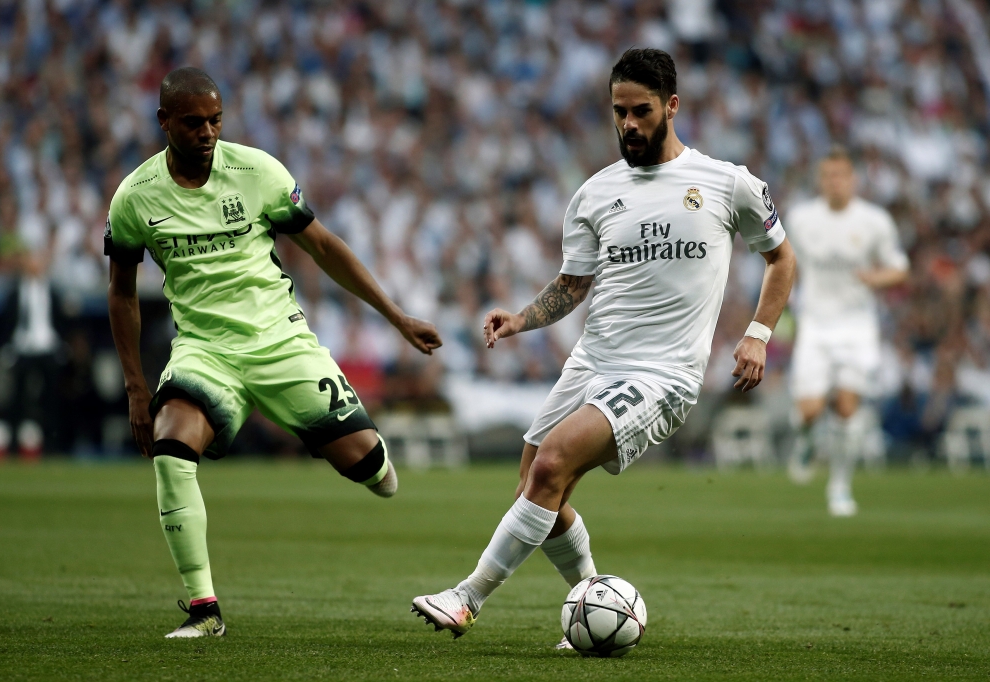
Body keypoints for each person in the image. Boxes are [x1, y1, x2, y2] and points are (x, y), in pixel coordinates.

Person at [410, 49, 796, 643]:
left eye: (641, 111)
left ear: (671, 106)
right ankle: (595, 600)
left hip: (664, 374)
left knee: (552, 462)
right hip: (593, 361)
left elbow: (781, 258)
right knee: (535, 486)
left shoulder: (726, 182)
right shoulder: (594, 194)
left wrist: (757, 334)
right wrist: (519, 319)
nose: (628, 125)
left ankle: (467, 598)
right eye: (618, 112)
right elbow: (573, 284)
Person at [105, 68, 441, 638]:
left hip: (281, 341)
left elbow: (325, 246)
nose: (207, 132)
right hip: (205, 351)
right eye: (193, 122)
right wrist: (138, 387)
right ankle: (203, 610)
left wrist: (397, 317)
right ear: (164, 122)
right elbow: (121, 294)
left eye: (215, 120)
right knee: (170, 446)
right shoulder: (135, 199)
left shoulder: (257, 171)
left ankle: (351, 447)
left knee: (371, 470)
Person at [785, 147, 908, 516]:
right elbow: (787, 263)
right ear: (820, 180)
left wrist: (876, 276)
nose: (834, 182)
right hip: (815, 324)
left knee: (846, 408)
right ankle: (806, 439)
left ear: (852, 179)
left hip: (856, 325)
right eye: (828, 176)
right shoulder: (802, 218)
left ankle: (839, 486)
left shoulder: (874, 221)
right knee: (809, 410)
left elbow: (899, 267)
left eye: (841, 175)